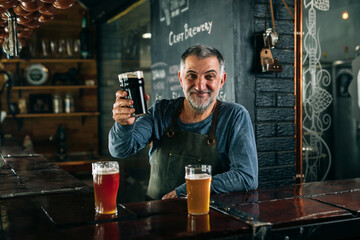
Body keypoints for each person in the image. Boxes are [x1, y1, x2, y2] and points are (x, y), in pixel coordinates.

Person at [109, 44, 258, 200]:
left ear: (221, 80)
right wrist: (124, 124)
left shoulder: (234, 116)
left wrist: (188, 189)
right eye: (191, 75)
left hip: (208, 216)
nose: (200, 86)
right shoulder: (161, 111)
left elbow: (246, 177)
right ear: (180, 78)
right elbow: (121, 149)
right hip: (156, 216)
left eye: (209, 76)